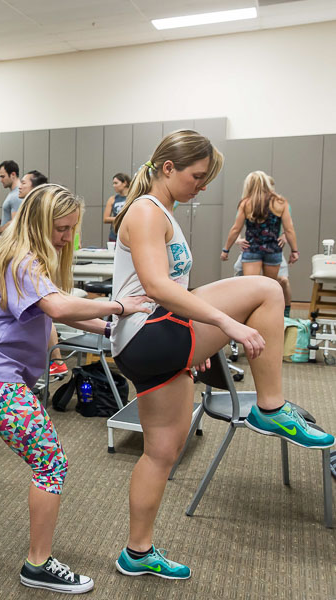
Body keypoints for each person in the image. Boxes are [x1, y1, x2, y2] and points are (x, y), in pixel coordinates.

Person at [109, 130, 334, 580]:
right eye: (198, 175)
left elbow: (164, 288)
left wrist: (200, 340)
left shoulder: (159, 211)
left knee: (162, 451)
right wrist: (225, 325)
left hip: (145, 343)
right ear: (168, 169)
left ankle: (136, 552)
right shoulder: (146, 212)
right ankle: (269, 408)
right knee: (268, 290)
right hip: (148, 331)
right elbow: (157, 287)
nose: (203, 186)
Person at [0, 183, 149, 594]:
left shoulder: (24, 259)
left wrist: (113, 328)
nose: (67, 237)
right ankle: (38, 565)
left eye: (72, 228)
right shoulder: (22, 261)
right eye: (61, 228)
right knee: (51, 463)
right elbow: (59, 307)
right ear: (39, 223)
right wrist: (120, 307)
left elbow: (60, 309)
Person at [222, 171, 298, 313]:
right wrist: (294, 251)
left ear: (249, 185)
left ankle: (249, 317)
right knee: (270, 288)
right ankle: (269, 317)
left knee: (251, 288)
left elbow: (235, 229)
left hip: (252, 250)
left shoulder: (246, 203)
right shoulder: (280, 202)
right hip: (273, 251)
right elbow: (289, 229)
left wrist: (226, 250)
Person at [0, 160, 20, 226]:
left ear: (13, 175)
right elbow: (13, 220)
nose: (0, 180)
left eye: (3, 177)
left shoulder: (17, 195)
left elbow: (16, 224)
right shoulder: (13, 193)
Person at [103, 172, 130, 243]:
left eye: (116, 183)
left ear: (124, 183)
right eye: (113, 183)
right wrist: (120, 218)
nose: (114, 185)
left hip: (129, 234)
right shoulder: (112, 199)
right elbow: (105, 219)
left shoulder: (132, 198)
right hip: (114, 235)